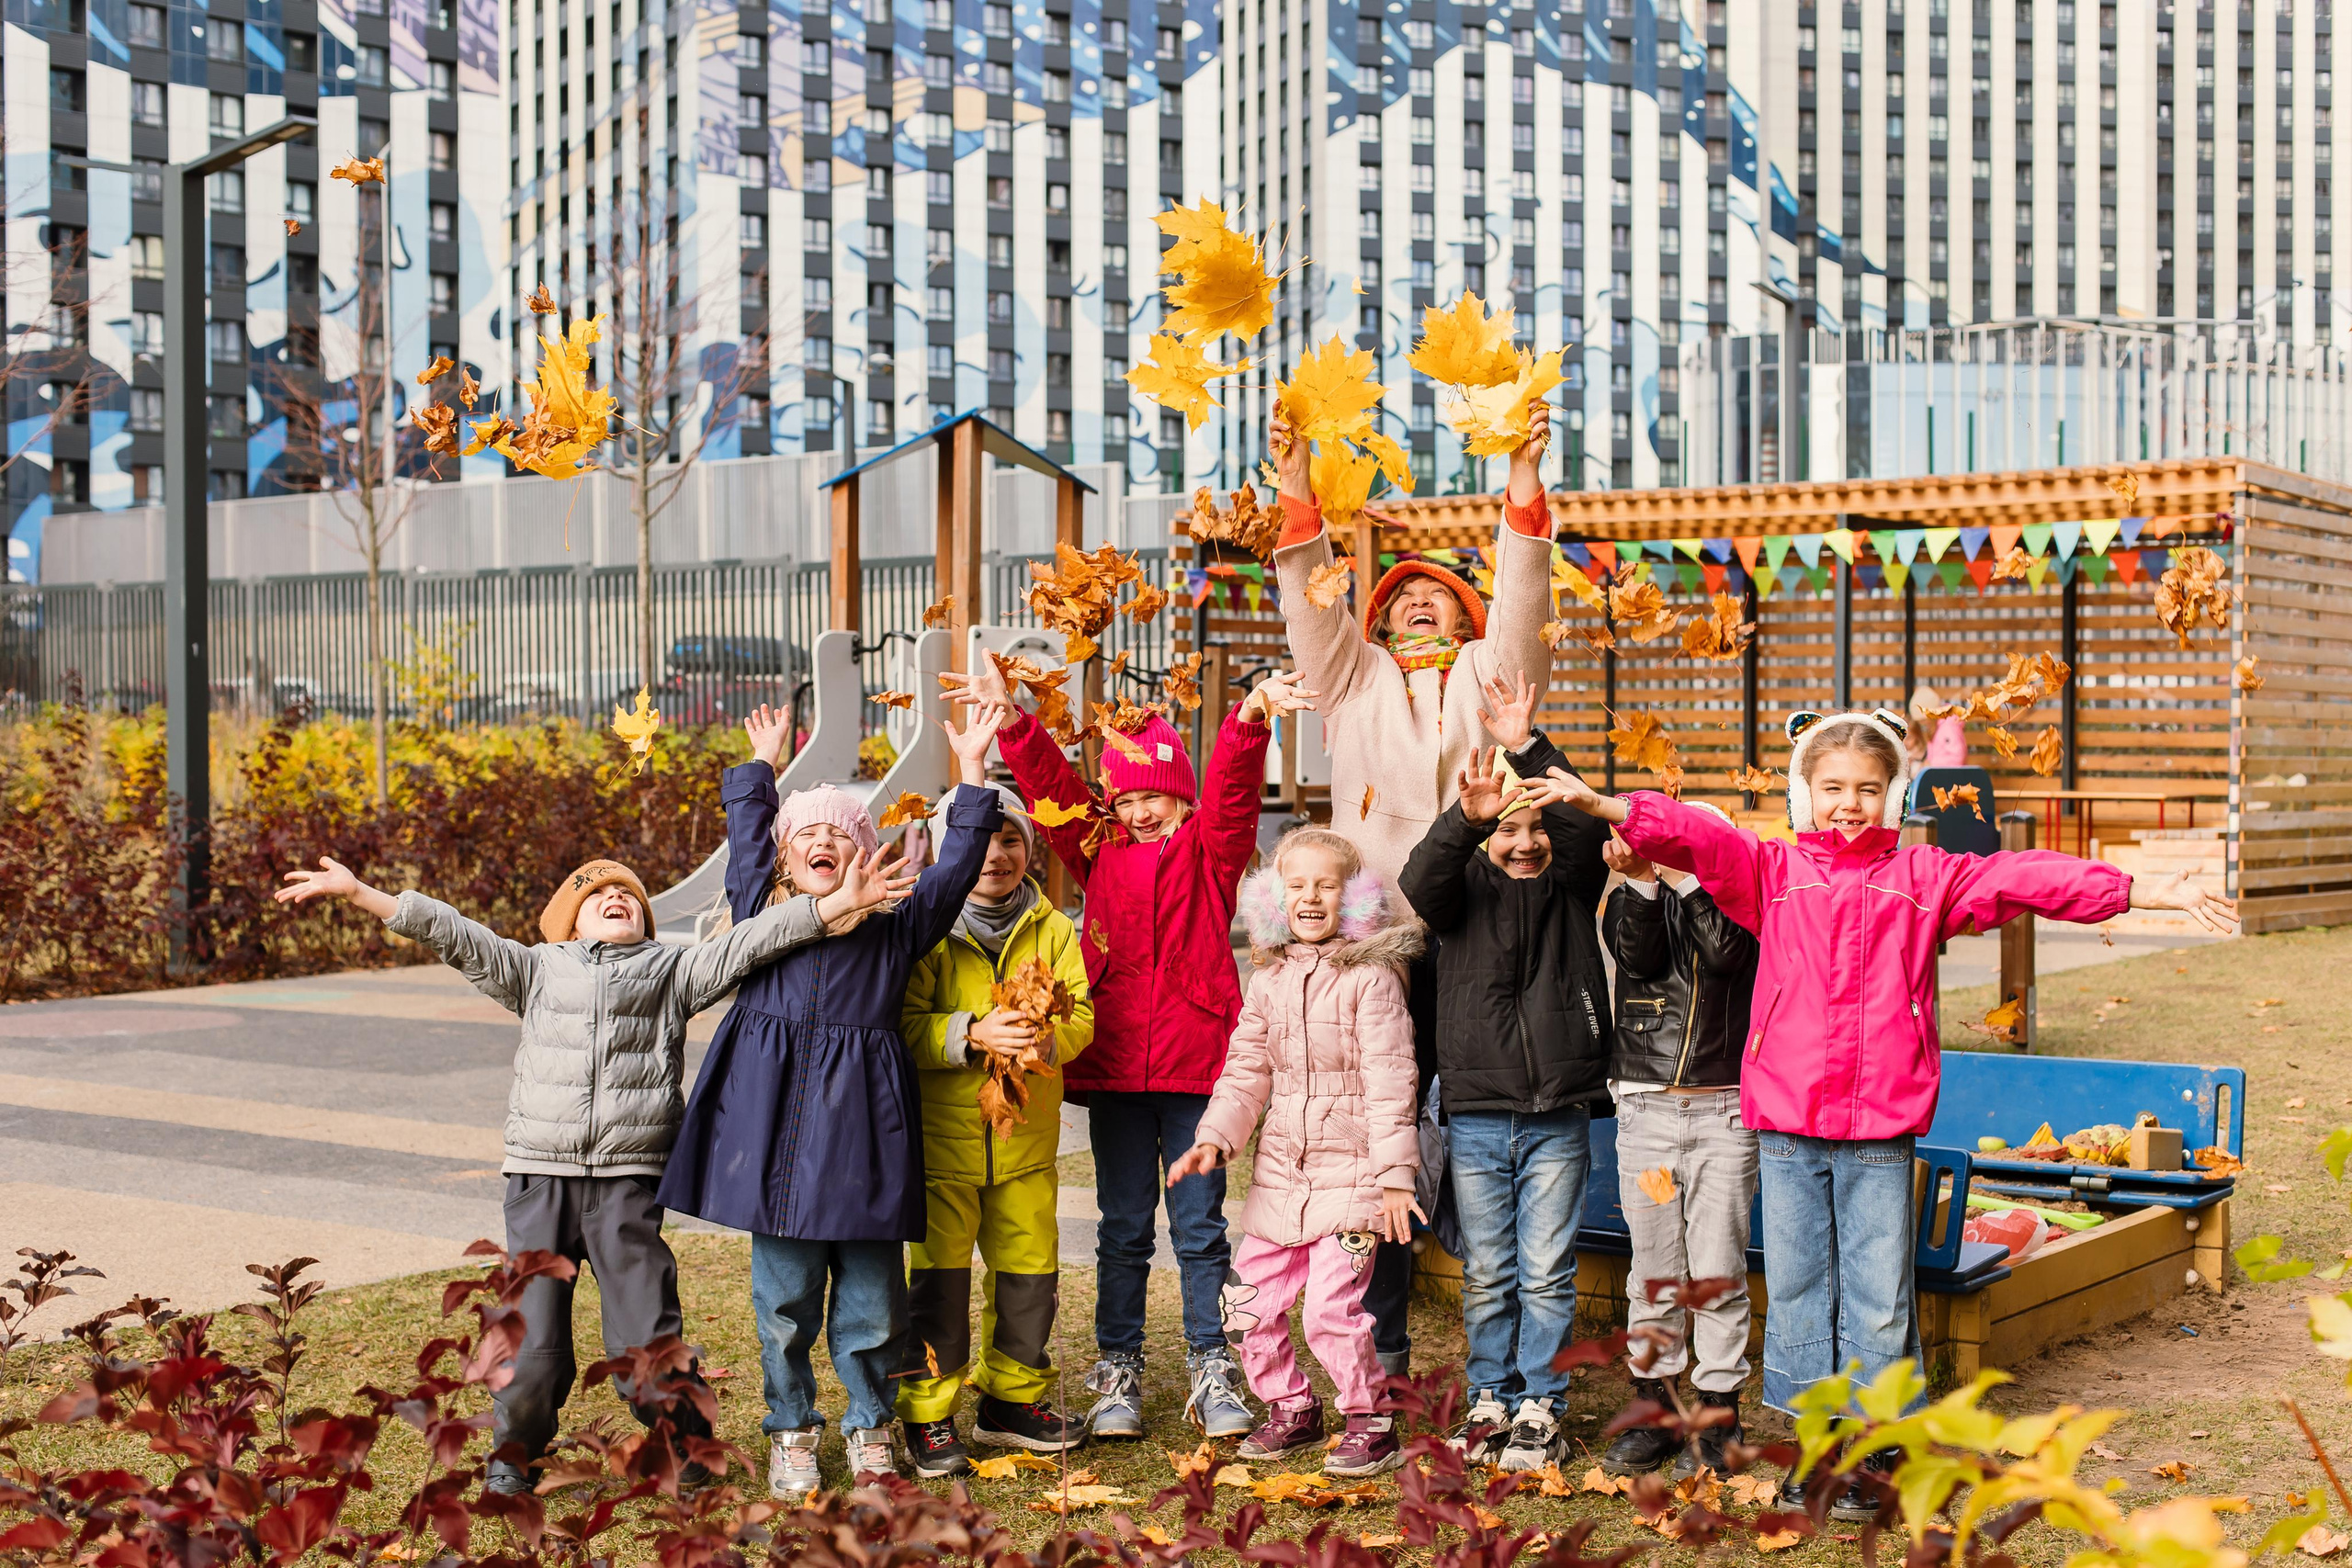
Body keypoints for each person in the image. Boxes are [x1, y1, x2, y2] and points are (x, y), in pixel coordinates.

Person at [1519, 707, 2237, 1516]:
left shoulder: (1925, 878)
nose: (1849, 803)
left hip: (1879, 1129)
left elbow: (2022, 877)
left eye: (1867, 788)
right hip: (1788, 1127)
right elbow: (1700, 836)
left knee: (1877, 1291)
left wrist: (2139, 888)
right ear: (1805, 794)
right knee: (1798, 1287)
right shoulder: (1772, 871)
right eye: (1832, 787)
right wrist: (1614, 807)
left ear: (1894, 796)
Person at [273, 847, 910, 1496]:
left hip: (628, 1183)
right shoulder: (534, 969)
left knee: (646, 1342)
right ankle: (514, 1455)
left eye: (628, 894)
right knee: (530, 1342)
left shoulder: (672, 971)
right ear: (569, 923)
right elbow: (454, 933)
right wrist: (362, 893)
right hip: (539, 1180)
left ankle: (686, 1445)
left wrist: (835, 904)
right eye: (597, 894)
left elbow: (753, 941)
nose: (616, 898)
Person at [1264, 403, 1560, 1377]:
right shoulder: (1352, 677)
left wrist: (1521, 481)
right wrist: (1297, 487)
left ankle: (1508, 1359)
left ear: (1468, 619)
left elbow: (1523, 608)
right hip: (1377, 939)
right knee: (1375, 1137)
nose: (1421, 602)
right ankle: (1380, 1349)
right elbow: (1314, 609)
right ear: (1379, 620)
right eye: (1403, 597)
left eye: (1440, 595)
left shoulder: (1488, 671)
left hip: (1480, 932)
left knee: (1485, 1125)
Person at [949, 656, 1314, 1441]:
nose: (1142, 811)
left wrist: (1250, 717)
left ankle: (1212, 1363)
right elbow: (1051, 792)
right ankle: (1119, 1367)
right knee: (1121, 1227)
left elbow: (1234, 794)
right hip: (1116, 1068)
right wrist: (1012, 720)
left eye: (1155, 795)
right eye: (1127, 798)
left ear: (1181, 795)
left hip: (1196, 1070)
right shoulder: (1096, 848)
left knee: (1199, 1228)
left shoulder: (1211, 850)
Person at [656, 700, 1009, 1494]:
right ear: (786, 862)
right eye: (806, 834)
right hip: (776, 1137)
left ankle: (869, 1426)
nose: (823, 841)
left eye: (841, 833)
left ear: (867, 855)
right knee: (783, 1301)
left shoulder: (897, 928)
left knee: (874, 1302)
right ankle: (790, 1429)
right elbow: (746, 845)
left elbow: (954, 870)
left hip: (864, 1136)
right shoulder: (763, 917)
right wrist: (763, 769)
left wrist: (973, 771)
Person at [1166, 828, 1424, 1478]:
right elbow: (1245, 1070)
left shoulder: (1371, 978)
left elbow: (1393, 1079)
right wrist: (1214, 1136)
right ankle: (1292, 1405)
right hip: (1282, 1176)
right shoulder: (1269, 981)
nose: (1311, 897)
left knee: (1330, 1312)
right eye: (1297, 886)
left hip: (1354, 1177)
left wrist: (1396, 1176)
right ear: (1276, 900)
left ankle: (1370, 1419)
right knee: (1244, 1305)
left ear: (1353, 897)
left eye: (1326, 885)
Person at [1396, 720, 1611, 1474]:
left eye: (1535, 828)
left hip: (1557, 1113)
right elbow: (1419, 878)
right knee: (1489, 1269)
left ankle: (1540, 1404)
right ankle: (1491, 1393)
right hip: (1478, 1114)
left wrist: (1531, 750)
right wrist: (1466, 818)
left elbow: (1585, 832)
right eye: (1507, 830)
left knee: (1546, 1270)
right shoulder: (1458, 895)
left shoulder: (1571, 887)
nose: (1525, 842)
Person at [893, 784, 1095, 1477]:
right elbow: (903, 1023)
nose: (996, 854)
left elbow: (1081, 1014)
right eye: (981, 840)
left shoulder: (1054, 928)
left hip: (1026, 1145)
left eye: (1011, 839)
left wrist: (1047, 1038)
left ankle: (1010, 1400)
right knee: (939, 1286)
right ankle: (928, 1411)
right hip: (943, 1148)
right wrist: (971, 1033)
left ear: (1029, 850)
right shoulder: (925, 929)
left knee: (1028, 1280)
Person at [1596, 803, 1761, 1480]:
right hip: (1648, 1117)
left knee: (1719, 1269)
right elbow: (1637, 957)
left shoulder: (1742, 909)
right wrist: (1642, 880)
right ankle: (1656, 1406)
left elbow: (1722, 954)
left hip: (1724, 1115)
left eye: (1697, 847)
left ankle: (1720, 1408)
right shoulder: (1632, 902)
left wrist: (1690, 875)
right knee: (1655, 1268)